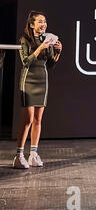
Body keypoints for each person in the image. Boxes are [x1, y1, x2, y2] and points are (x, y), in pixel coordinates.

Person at [13, 11, 62, 169]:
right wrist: (40, 48)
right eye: (40, 21)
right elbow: (26, 62)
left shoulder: (46, 40)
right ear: (32, 24)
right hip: (28, 81)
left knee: (38, 120)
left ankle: (33, 154)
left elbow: (50, 65)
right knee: (27, 120)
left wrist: (58, 53)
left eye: (45, 21)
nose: (43, 24)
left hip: (43, 81)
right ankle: (19, 156)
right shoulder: (24, 40)